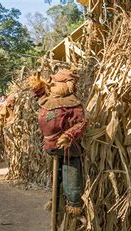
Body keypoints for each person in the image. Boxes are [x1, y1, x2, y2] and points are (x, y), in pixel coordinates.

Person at [28, 68, 87, 215]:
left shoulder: (73, 104)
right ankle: (55, 200)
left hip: (67, 148)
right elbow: (38, 93)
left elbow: (81, 123)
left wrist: (68, 135)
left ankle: (73, 202)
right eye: (51, 82)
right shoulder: (48, 99)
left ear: (68, 84)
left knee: (71, 173)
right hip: (50, 145)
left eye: (56, 82)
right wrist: (37, 85)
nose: (52, 85)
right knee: (56, 174)